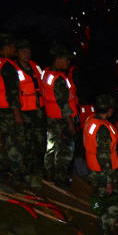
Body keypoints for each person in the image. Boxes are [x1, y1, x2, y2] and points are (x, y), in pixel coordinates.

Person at [83, 94, 118, 235]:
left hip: (94, 171)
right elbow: (104, 156)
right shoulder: (103, 130)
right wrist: (108, 181)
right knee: (111, 207)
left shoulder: (91, 120)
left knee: (99, 203)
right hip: (104, 174)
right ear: (110, 110)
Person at [0, 34, 23, 178]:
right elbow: (12, 92)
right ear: (6, 48)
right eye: (13, 47)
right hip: (7, 110)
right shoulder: (7, 66)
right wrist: (17, 114)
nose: (15, 50)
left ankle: (0, 168)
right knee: (12, 140)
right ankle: (15, 170)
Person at [41, 46, 79, 183]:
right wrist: (70, 123)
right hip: (62, 120)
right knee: (65, 150)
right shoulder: (59, 79)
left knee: (51, 148)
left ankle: (49, 175)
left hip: (51, 117)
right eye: (66, 59)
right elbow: (63, 103)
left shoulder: (47, 73)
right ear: (58, 59)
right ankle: (60, 178)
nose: (68, 62)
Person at [14, 39, 47, 188]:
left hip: (38, 111)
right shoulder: (13, 68)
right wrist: (16, 113)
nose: (27, 54)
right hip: (23, 112)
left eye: (28, 51)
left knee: (39, 143)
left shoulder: (35, 66)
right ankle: (24, 175)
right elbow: (13, 93)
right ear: (17, 53)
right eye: (23, 51)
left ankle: (37, 174)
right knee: (24, 144)